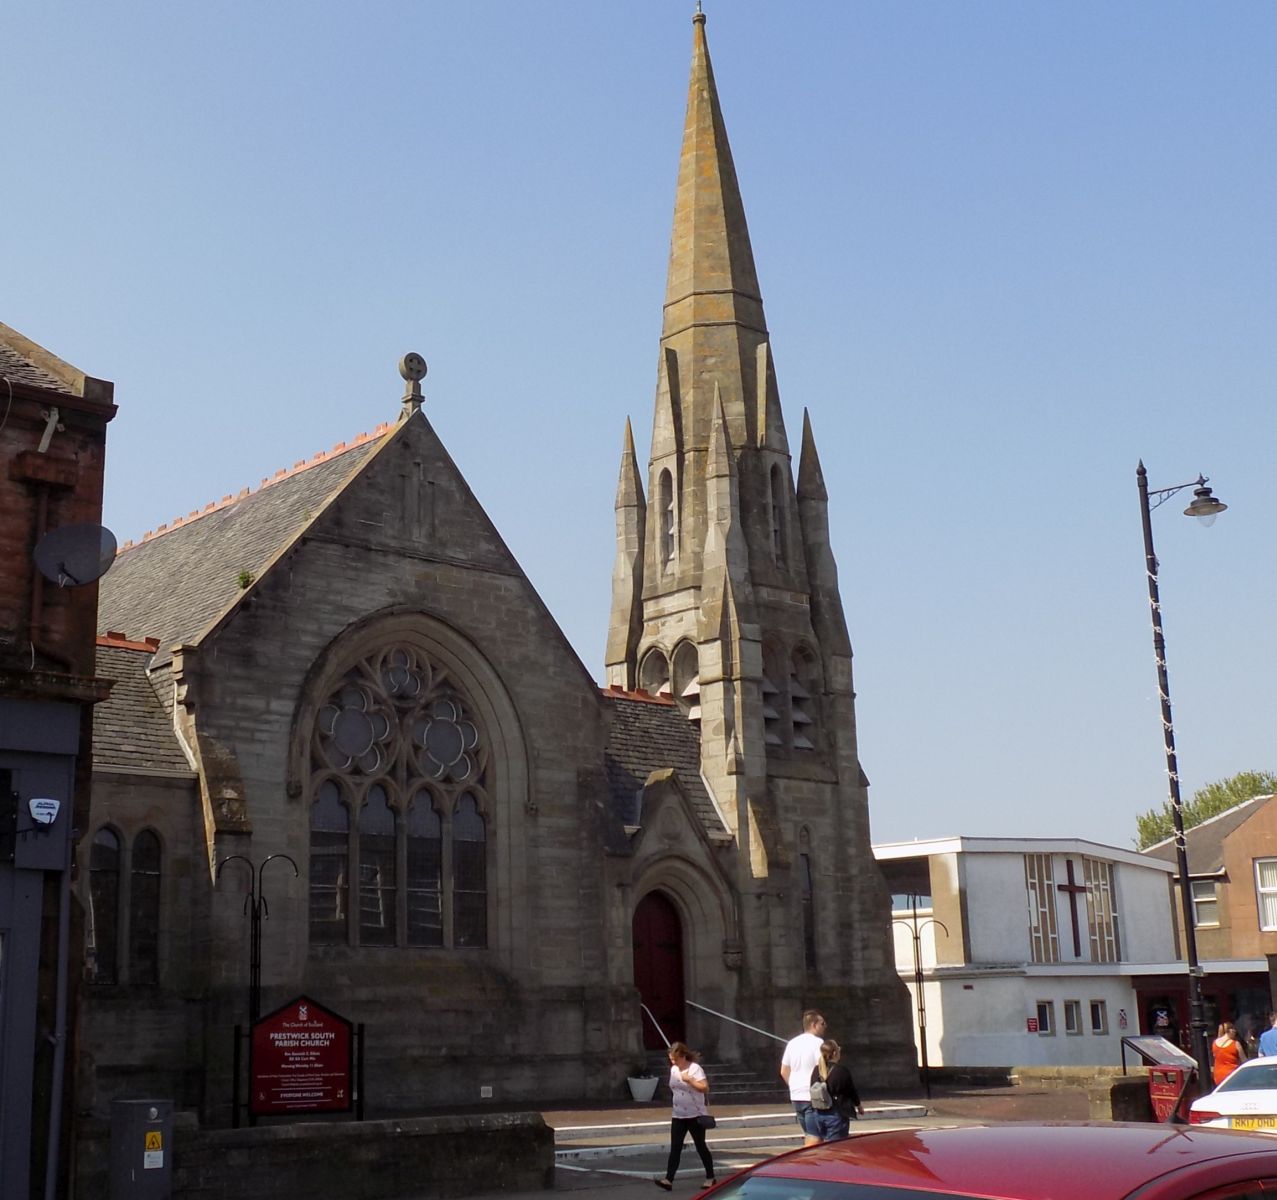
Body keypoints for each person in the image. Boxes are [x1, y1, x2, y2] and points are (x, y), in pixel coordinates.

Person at [654, 1042, 716, 1191]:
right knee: (675, 1146)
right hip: (678, 1114)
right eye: (671, 1060)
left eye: (675, 1059)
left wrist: (690, 1080)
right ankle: (668, 1179)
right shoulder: (674, 1069)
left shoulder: (695, 1069)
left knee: (700, 1145)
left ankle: (710, 1176)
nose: (673, 1062)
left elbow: (705, 1087)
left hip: (695, 1115)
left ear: (683, 1056)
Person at [780, 1009, 827, 1147]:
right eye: (822, 1023)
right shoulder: (818, 1043)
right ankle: (811, 1164)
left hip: (796, 1095)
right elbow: (823, 1069)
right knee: (815, 1137)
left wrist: (794, 1085)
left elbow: (783, 1071)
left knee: (809, 1134)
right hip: (811, 1096)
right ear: (814, 1024)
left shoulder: (792, 1043)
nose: (825, 1026)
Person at [809, 1039, 865, 1142]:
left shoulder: (816, 1069)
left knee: (822, 1147)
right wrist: (859, 1106)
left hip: (818, 1112)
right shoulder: (841, 1071)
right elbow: (851, 1091)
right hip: (836, 1113)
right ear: (835, 1053)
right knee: (836, 1147)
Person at [1212, 1022, 1245, 1086]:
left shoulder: (1214, 1043)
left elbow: (1214, 1056)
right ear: (1230, 1031)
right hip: (1232, 1075)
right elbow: (1244, 1060)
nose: (1235, 1032)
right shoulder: (1235, 1044)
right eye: (1234, 1030)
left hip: (1218, 1075)